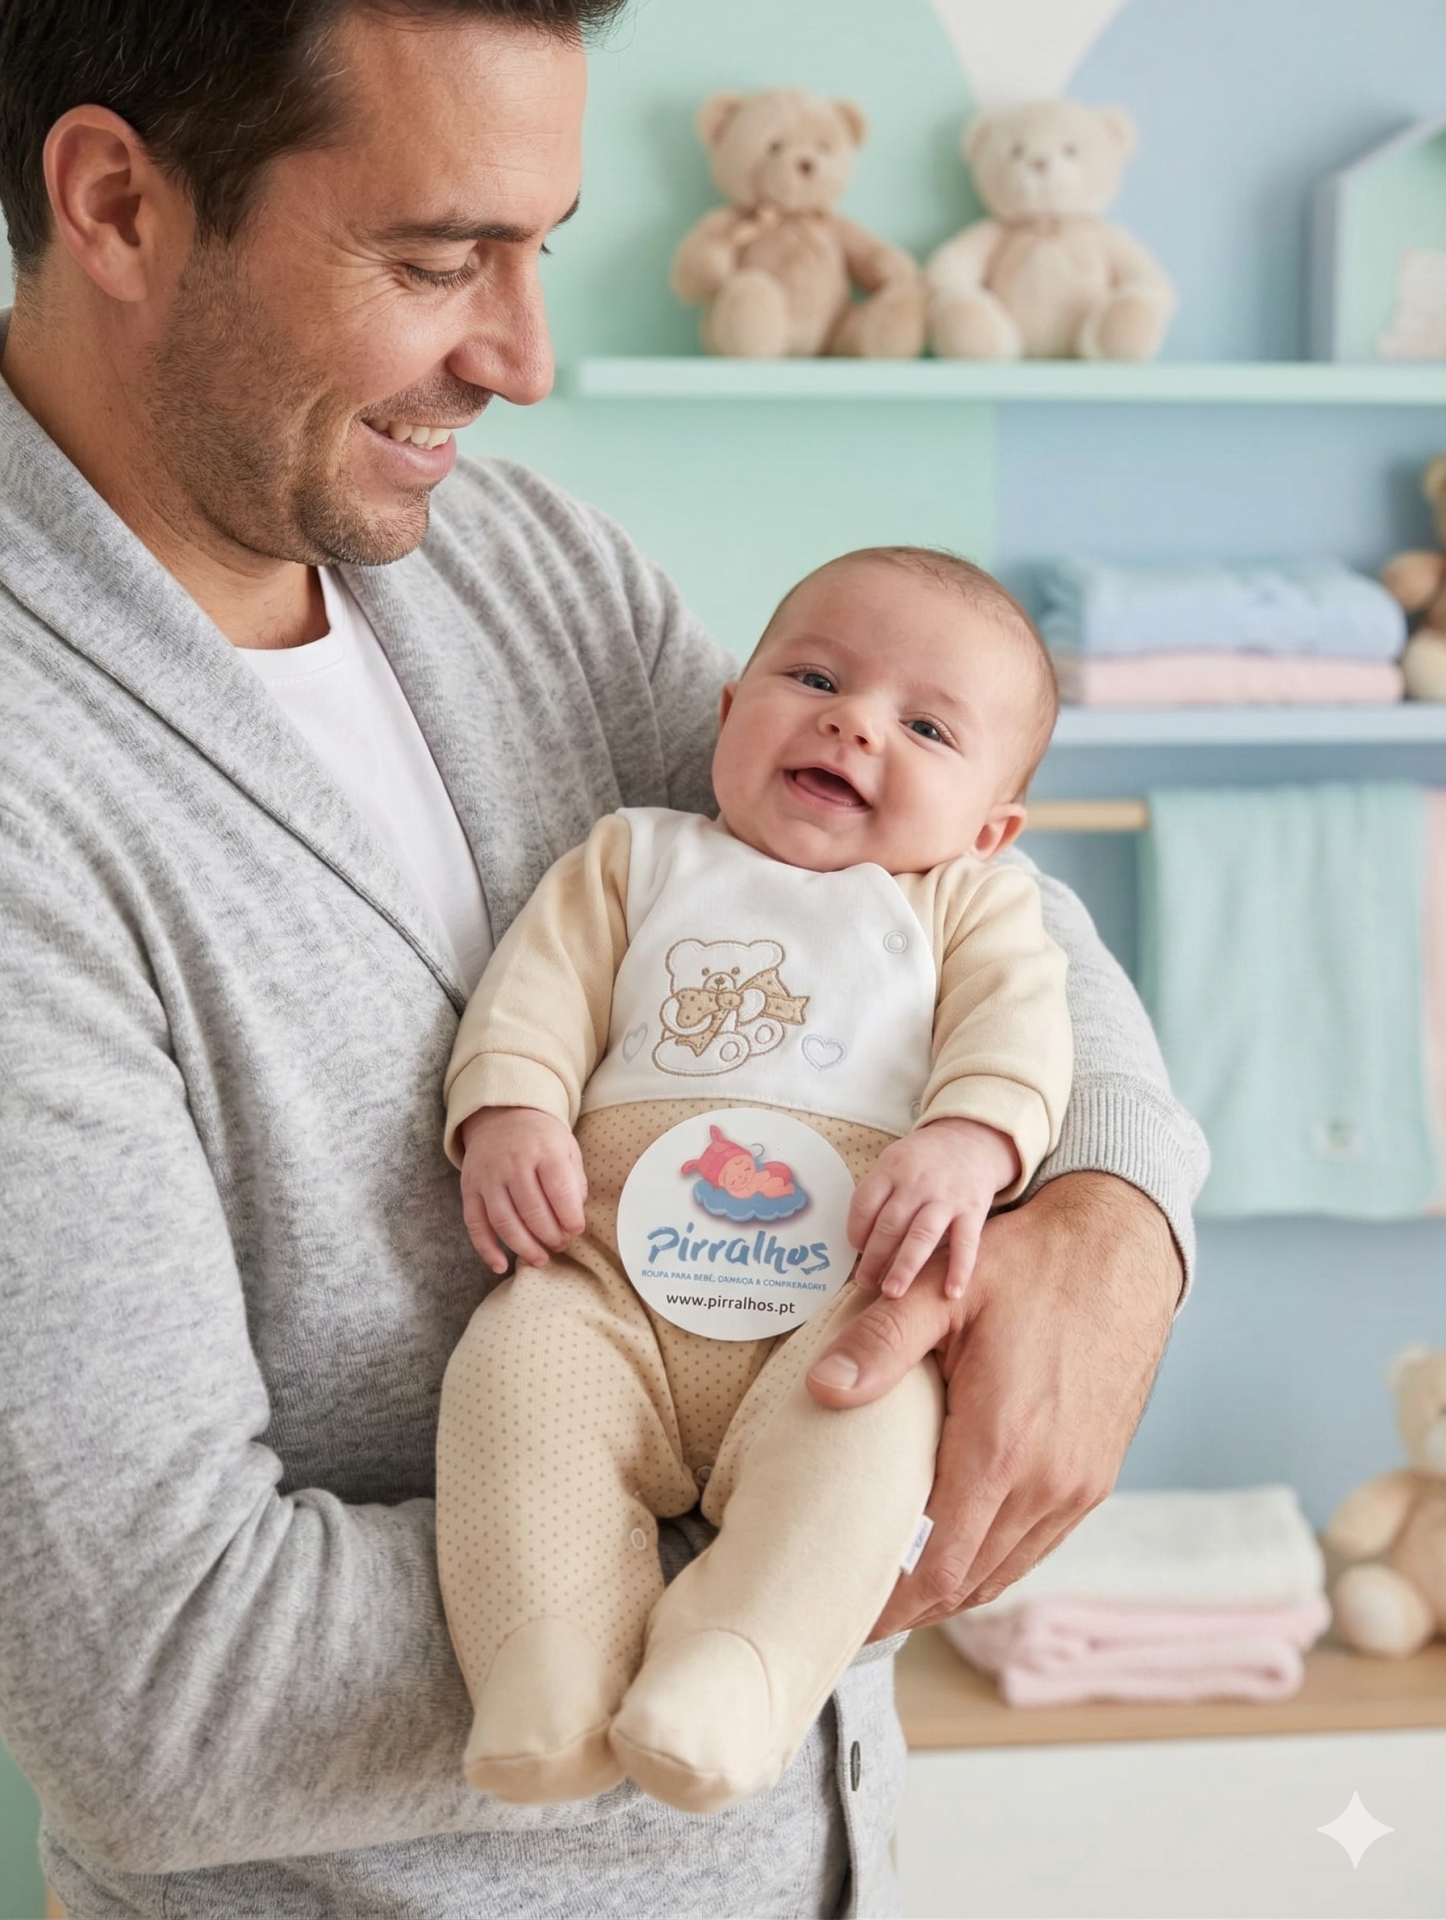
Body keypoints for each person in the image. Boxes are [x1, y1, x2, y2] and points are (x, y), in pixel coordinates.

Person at [0, 0, 1208, 1913]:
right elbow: (168, 1698)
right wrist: (804, 1550)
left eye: (538, 247)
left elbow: (947, 889)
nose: (526, 357)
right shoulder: (32, 798)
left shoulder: (505, 561)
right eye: (435, 258)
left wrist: (1112, 1218)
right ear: (117, 203)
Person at [437, 546, 1073, 1814]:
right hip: (604, 1272)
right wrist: (508, 1109)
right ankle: (544, 1662)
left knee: (872, 1446)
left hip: (844, 1307)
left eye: (927, 726)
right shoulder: (635, 859)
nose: (853, 722)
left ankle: (736, 1675)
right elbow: (539, 990)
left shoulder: (967, 906)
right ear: (730, 713)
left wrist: (968, 1142)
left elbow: (1021, 1031)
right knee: (513, 1389)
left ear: (991, 826)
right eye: (816, 677)